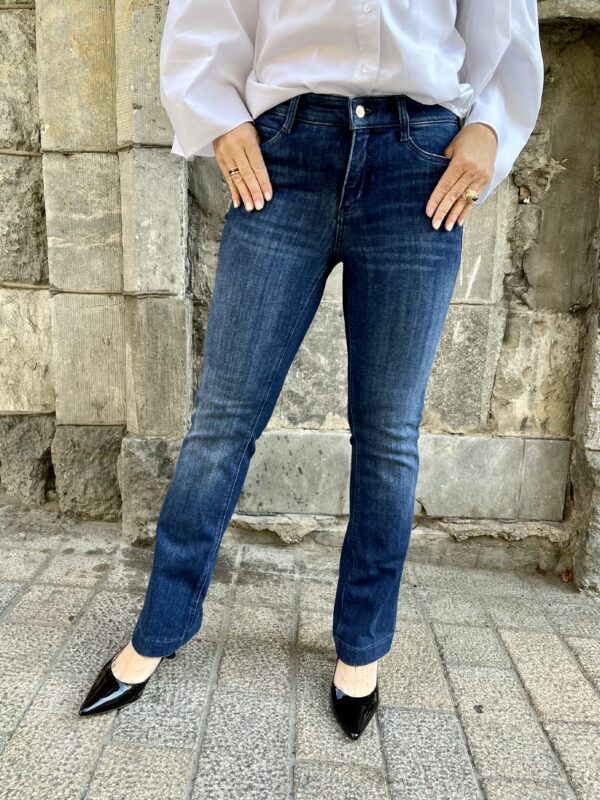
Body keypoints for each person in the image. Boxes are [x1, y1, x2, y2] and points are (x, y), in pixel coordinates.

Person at [79, 0, 544, 739]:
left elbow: (504, 22)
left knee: (389, 434)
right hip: (285, 153)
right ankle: (159, 628)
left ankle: (362, 647)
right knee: (221, 421)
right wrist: (219, 115)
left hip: (418, 163)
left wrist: (491, 126)